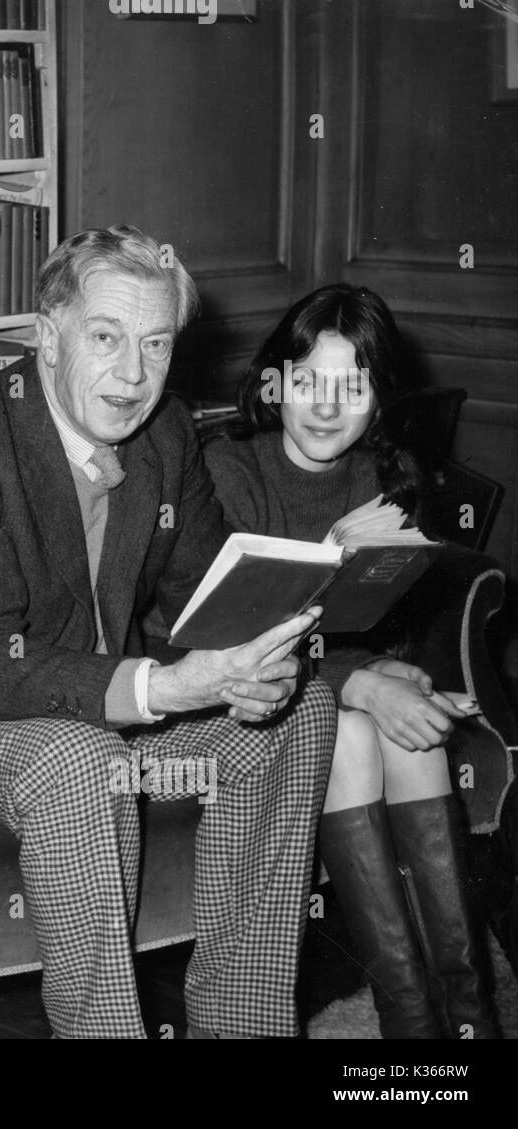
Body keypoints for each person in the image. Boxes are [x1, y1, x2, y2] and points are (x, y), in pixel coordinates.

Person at [0, 225, 338, 1039]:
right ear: (47, 332)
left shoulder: (166, 434)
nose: (134, 375)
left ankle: (242, 1024)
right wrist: (158, 685)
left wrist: (252, 663)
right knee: (81, 756)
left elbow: (204, 599)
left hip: (122, 719)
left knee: (300, 714)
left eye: (156, 343)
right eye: (106, 338)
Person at [203, 282, 501, 1038]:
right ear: (276, 383)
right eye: (307, 382)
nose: (326, 407)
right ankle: (411, 1019)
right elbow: (228, 639)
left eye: (352, 385)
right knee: (359, 730)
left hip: (329, 692)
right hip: (236, 694)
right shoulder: (228, 469)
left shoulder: (385, 472)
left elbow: (381, 623)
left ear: (379, 395)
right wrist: (360, 679)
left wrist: (397, 673)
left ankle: (466, 1017)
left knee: (411, 730)